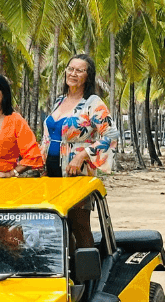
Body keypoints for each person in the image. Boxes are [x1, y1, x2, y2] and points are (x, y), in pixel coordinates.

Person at [41, 54, 117, 249]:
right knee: (58, 226)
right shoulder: (59, 101)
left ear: (88, 76)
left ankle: (88, 276)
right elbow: (48, 136)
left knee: (79, 225)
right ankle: (67, 275)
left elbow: (111, 135)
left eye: (79, 70)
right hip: (50, 174)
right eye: (70, 69)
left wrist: (83, 156)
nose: (73, 73)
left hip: (76, 173)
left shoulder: (93, 103)